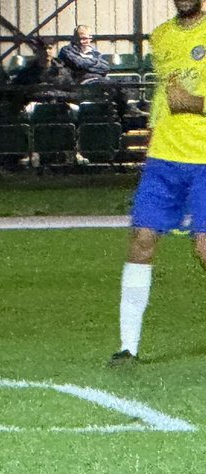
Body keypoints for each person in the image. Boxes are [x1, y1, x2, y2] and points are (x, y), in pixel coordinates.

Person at [109, 0, 206, 365]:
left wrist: (195, 103)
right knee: (141, 240)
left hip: (204, 159)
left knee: (204, 248)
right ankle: (128, 348)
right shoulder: (161, 36)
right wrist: (153, 134)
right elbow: (163, 99)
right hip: (163, 158)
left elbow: (184, 98)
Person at [11, 37, 74, 110]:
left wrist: (55, 93)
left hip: (58, 110)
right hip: (34, 110)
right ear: (37, 51)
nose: (47, 52)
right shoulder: (26, 73)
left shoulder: (62, 72)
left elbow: (75, 94)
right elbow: (15, 94)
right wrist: (36, 92)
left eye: (50, 48)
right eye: (43, 49)